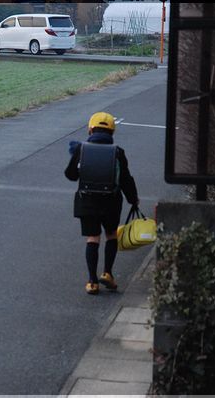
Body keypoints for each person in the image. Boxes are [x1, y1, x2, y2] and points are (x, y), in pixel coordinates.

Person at [65, 112, 139, 295]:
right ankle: (108, 273)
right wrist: (133, 199)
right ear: (112, 132)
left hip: (87, 200)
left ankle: (92, 281)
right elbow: (125, 179)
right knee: (111, 235)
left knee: (93, 238)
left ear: (90, 130)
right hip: (111, 202)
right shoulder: (118, 152)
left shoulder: (81, 149)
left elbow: (70, 175)